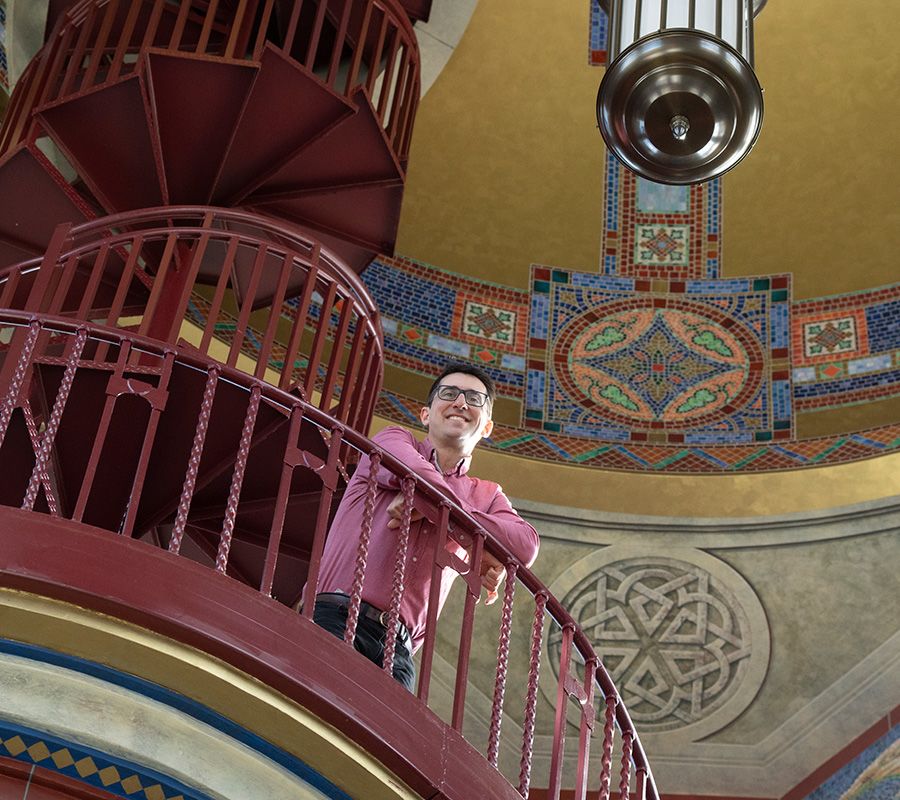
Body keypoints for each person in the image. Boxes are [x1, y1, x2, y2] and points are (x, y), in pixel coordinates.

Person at [313, 362, 540, 690]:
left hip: (400, 651)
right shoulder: (393, 438)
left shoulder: (488, 494)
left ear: (487, 426)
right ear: (425, 414)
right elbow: (418, 476)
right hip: (338, 615)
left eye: (474, 399)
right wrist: (472, 541)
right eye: (449, 394)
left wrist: (432, 507)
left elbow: (525, 546)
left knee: (375, 740)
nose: (461, 403)